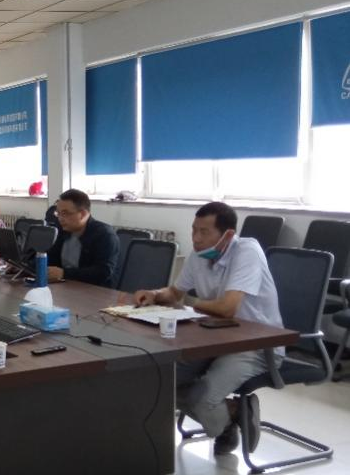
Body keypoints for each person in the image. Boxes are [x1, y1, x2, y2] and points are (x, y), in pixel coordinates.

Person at [134, 202, 282, 456]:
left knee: (202, 399)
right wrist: (155, 294)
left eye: (204, 232)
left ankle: (228, 420)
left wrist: (188, 302)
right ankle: (232, 411)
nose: (196, 238)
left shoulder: (247, 251)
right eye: (194, 230)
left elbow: (227, 308)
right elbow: (175, 292)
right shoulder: (199, 255)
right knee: (158, 380)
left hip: (255, 345)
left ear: (228, 235)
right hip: (213, 338)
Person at [46, 189, 120, 287]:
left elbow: (103, 272)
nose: (60, 218)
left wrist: (64, 273)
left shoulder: (105, 235)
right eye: (58, 213)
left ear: (83, 214)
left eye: (65, 213)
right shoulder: (64, 230)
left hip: (96, 291)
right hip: (66, 286)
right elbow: (52, 258)